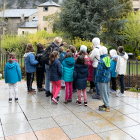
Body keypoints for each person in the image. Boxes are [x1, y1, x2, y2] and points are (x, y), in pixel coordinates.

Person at [95, 46, 111, 112]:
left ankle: (107, 106)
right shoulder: (108, 58)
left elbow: (99, 72)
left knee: (103, 93)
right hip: (107, 78)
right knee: (106, 92)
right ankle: (106, 104)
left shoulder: (101, 61)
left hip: (102, 79)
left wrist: (96, 80)